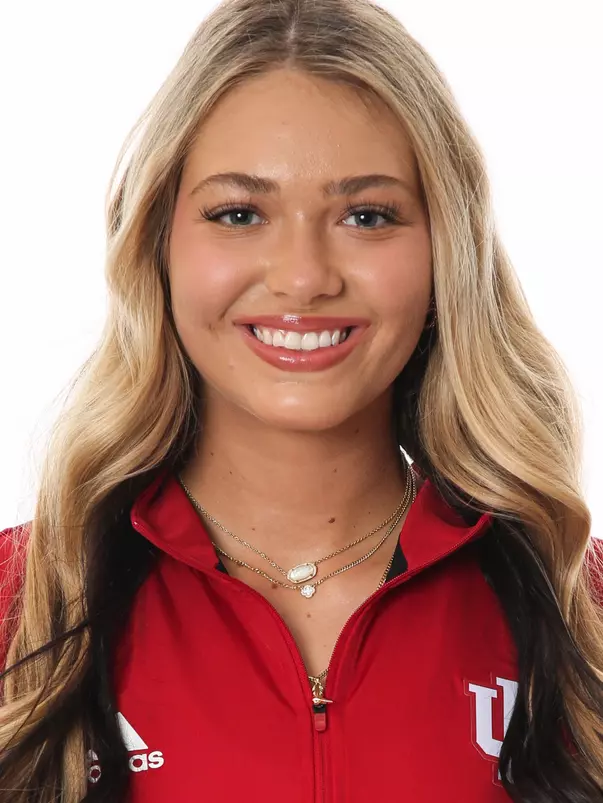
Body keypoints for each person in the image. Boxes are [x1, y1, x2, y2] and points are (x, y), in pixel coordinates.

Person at [1, 0, 602, 800]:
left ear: (443, 254)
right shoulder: (20, 608)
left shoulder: (583, 610)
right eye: (239, 213)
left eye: (367, 214)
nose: (302, 276)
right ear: (158, 243)